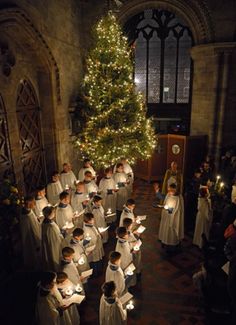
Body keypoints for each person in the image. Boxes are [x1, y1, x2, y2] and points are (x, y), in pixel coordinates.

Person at [158, 183, 184, 250]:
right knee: (165, 229)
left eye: (171, 190)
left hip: (174, 218)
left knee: (171, 231)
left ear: (175, 190)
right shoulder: (168, 195)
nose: (169, 192)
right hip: (167, 216)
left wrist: (169, 210)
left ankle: (172, 243)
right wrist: (164, 207)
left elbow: (178, 209)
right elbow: (165, 203)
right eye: (168, 190)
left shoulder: (178, 198)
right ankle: (164, 241)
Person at [19, 196, 41, 269]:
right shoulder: (27, 216)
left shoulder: (28, 211)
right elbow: (33, 229)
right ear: (29, 204)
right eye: (33, 203)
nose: (35, 204)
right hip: (31, 237)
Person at [41, 206, 63, 271]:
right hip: (54, 247)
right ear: (50, 214)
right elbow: (56, 239)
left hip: (49, 245)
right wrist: (62, 235)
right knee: (55, 258)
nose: (54, 213)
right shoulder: (50, 227)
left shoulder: (44, 222)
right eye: (53, 212)